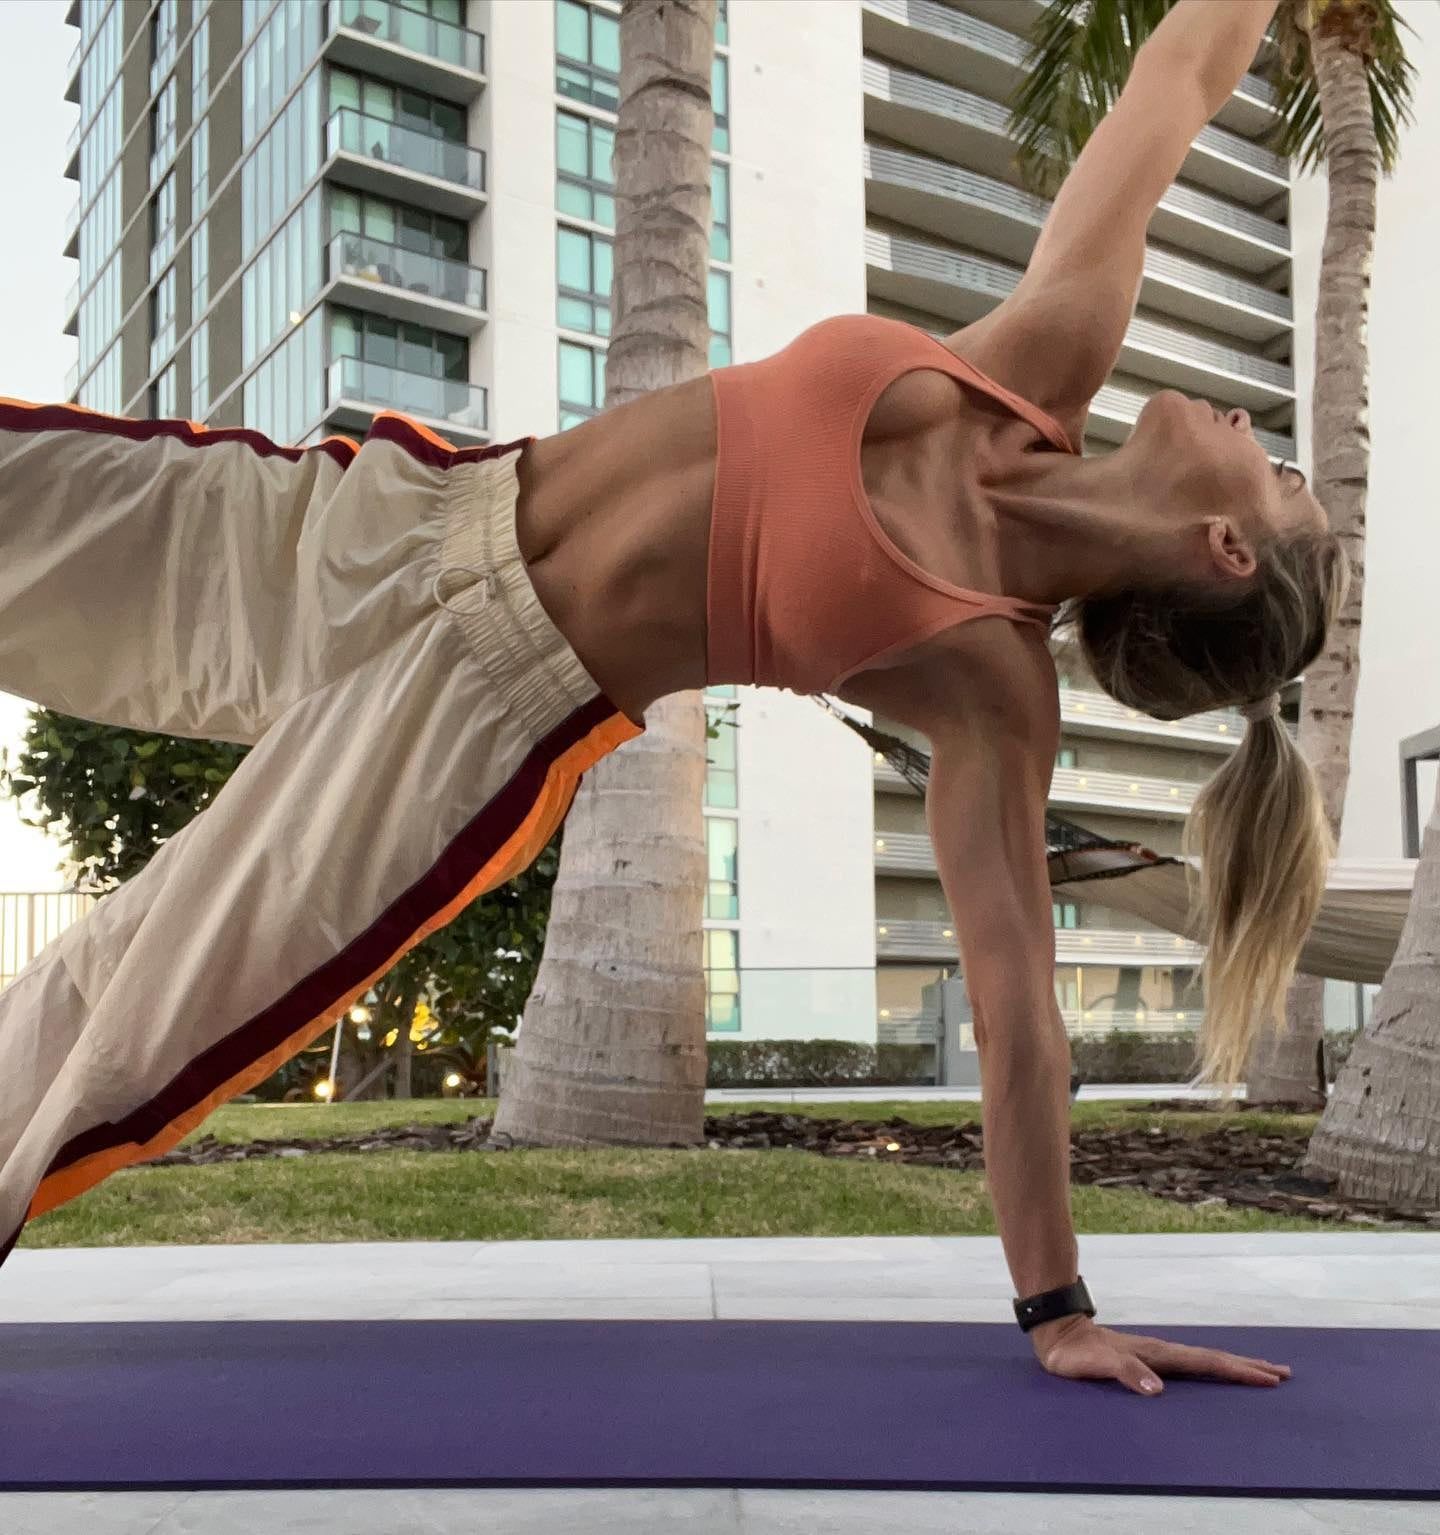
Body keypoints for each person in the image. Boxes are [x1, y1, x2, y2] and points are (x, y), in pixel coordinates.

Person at [0, 0, 1331, 1397]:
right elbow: (1179, 79)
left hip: (465, 711)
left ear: (1226, 551)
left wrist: (1056, 1306)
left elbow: (1017, 1022)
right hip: (401, 522)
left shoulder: (991, 681)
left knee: (130, 996)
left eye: (1282, 477)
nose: (1259, 432)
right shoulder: (1036, 362)